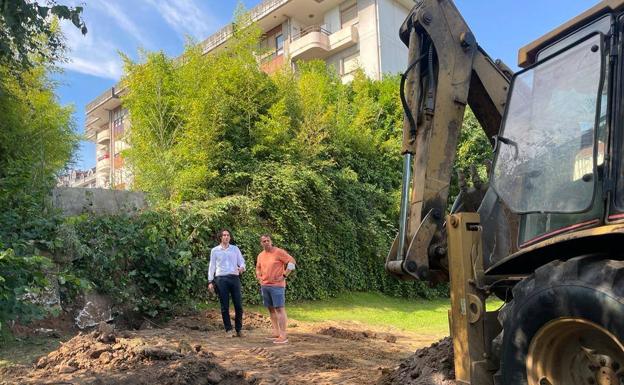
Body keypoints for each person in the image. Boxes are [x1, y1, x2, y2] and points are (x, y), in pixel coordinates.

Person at [255, 234, 296, 344]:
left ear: (271, 241)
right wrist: (259, 278)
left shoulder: (278, 252)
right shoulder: (260, 255)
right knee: (271, 309)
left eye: (268, 240)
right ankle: (276, 333)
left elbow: (292, 262)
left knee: (279, 309)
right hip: (265, 286)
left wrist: (284, 275)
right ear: (261, 243)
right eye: (264, 241)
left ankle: (283, 336)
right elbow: (258, 268)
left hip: (277, 286)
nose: (266, 242)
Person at [208, 229, 246, 337]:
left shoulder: (235, 249)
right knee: (224, 306)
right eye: (224, 235)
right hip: (221, 279)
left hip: (234, 278)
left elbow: (242, 261)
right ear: (220, 237)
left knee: (238, 305)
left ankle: (239, 329)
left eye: (228, 235)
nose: (226, 237)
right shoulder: (215, 250)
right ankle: (228, 329)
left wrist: (242, 267)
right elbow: (212, 266)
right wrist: (210, 281)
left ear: (230, 237)